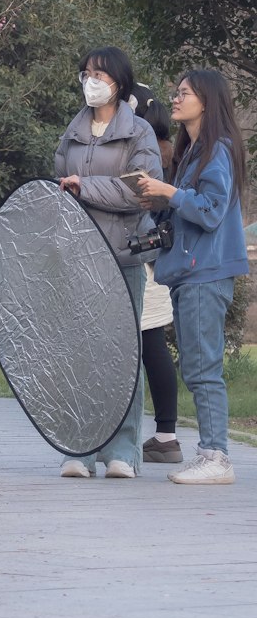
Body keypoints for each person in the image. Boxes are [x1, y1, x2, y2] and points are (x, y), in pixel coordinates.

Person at [136, 69, 249, 486]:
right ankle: (211, 453)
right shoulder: (192, 152)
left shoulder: (217, 149)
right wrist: (157, 200)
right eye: (177, 92)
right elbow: (188, 210)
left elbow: (211, 210)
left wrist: (170, 194)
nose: (176, 99)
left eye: (184, 93)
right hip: (190, 272)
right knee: (198, 367)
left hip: (206, 274)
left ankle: (216, 456)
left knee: (203, 368)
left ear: (207, 100)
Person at [55, 47, 162, 479]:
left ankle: (124, 449)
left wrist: (85, 187)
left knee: (123, 354)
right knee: (82, 353)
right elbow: (58, 183)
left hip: (124, 255)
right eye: (85, 73)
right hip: (79, 256)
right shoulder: (73, 130)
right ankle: (81, 448)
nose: (90, 80)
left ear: (119, 81)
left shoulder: (139, 133)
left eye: (99, 74)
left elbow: (141, 191)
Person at [130, 84, 182, 465]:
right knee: (153, 347)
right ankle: (166, 434)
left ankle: (160, 436)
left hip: (141, 260)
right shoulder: (172, 152)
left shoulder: (147, 154)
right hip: (156, 260)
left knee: (146, 347)